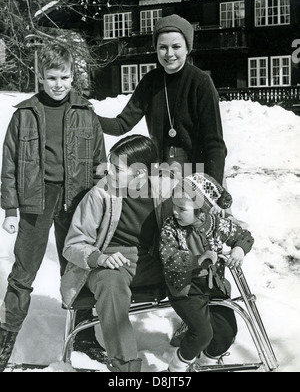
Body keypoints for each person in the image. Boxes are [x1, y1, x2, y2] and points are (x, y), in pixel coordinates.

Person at [0, 44, 106, 372]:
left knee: (76, 268)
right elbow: (10, 164)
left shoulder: (87, 114)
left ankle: (85, 334)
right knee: (23, 271)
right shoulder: (25, 114)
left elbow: (100, 161)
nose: (58, 84)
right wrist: (11, 210)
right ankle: (6, 338)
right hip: (36, 200)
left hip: (76, 199)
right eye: (51, 77)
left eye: (64, 77)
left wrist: (101, 200)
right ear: (41, 77)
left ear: (73, 76)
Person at [61, 135, 176, 372]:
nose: (108, 172)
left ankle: (206, 342)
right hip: (110, 262)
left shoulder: (168, 190)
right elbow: (72, 245)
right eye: (109, 165)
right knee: (111, 283)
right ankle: (125, 368)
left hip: (153, 261)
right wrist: (99, 258)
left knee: (199, 268)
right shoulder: (99, 194)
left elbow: (204, 213)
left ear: (140, 174)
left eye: (116, 168)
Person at [97, 14, 226, 184]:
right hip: (164, 168)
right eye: (163, 47)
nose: (169, 53)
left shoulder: (200, 82)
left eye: (176, 46)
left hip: (200, 168)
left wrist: (212, 186)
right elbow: (122, 124)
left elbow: (214, 142)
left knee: (194, 210)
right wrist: (89, 116)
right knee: (167, 210)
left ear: (187, 48)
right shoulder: (151, 81)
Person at [159, 173, 254, 372]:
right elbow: (168, 257)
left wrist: (239, 248)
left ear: (201, 211)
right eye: (174, 205)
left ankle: (208, 363)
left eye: (181, 208)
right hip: (186, 289)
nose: (175, 212)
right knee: (202, 333)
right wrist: (197, 259)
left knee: (227, 331)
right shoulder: (171, 228)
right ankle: (175, 368)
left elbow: (243, 234)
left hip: (213, 286)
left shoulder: (217, 224)